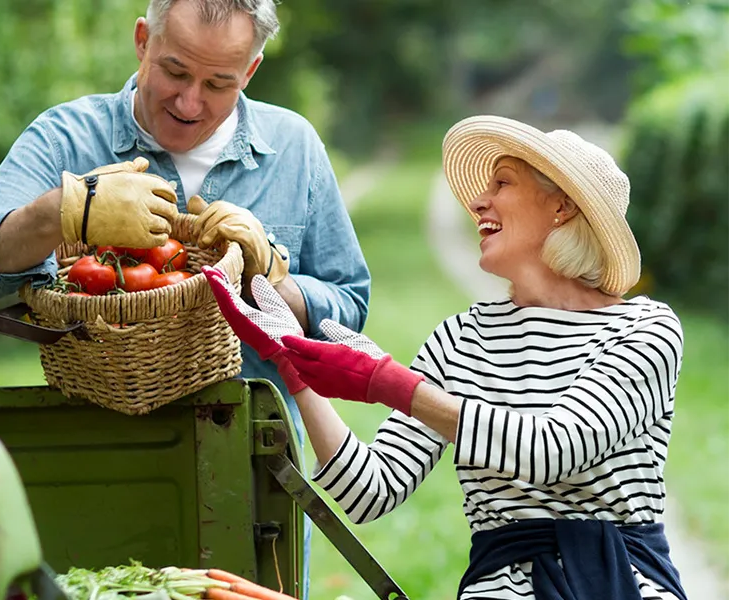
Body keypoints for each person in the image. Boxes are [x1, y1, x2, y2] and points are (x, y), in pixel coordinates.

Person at [0, 1, 371, 596]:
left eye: (219, 83)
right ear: (143, 40)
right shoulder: (67, 137)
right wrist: (62, 209)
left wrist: (276, 284)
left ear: (250, 72)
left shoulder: (293, 148)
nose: (190, 102)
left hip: (252, 464)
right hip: (101, 460)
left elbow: (349, 307)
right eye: (175, 71)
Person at [201, 115, 689, 600]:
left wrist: (393, 385)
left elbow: (555, 449)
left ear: (561, 206)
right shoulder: (462, 338)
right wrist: (293, 369)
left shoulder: (645, 329)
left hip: (626, 581)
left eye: (503, 183)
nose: (478, 201)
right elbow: (370, 492)